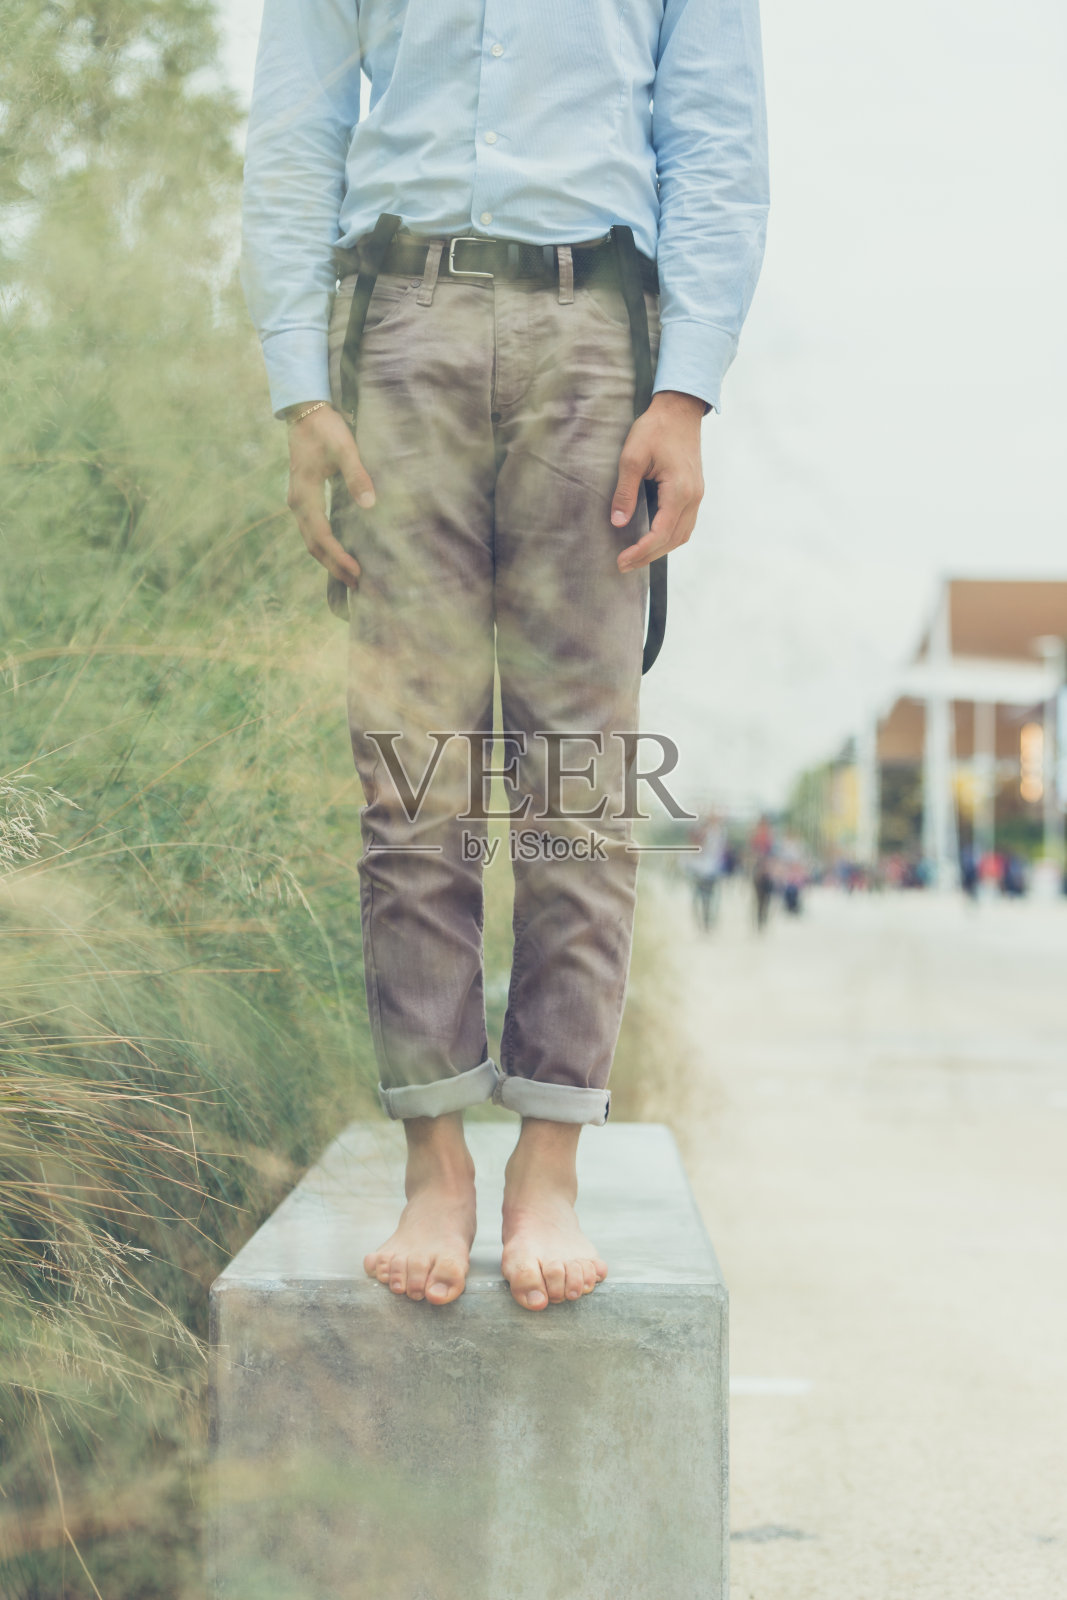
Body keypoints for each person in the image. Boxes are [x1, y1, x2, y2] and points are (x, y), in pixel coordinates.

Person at [241, 0, 769, 1312]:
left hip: (593, 335)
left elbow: (712, 140)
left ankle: (549, 1162)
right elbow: (298, 131)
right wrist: (300, 389)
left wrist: (685, 391)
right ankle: (436, 1156)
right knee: (409, 770)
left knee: (577, 785)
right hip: (399, 329)